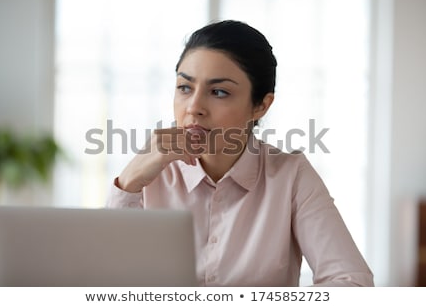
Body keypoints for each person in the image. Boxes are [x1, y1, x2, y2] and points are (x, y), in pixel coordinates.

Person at [107, 20, 374, 287]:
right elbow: (106, 281)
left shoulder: (291, 176)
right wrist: (128, 183)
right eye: (185, 87)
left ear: (260, 106)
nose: (194, 107)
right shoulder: (150, 173)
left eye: (219, 92)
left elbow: (352, 283)